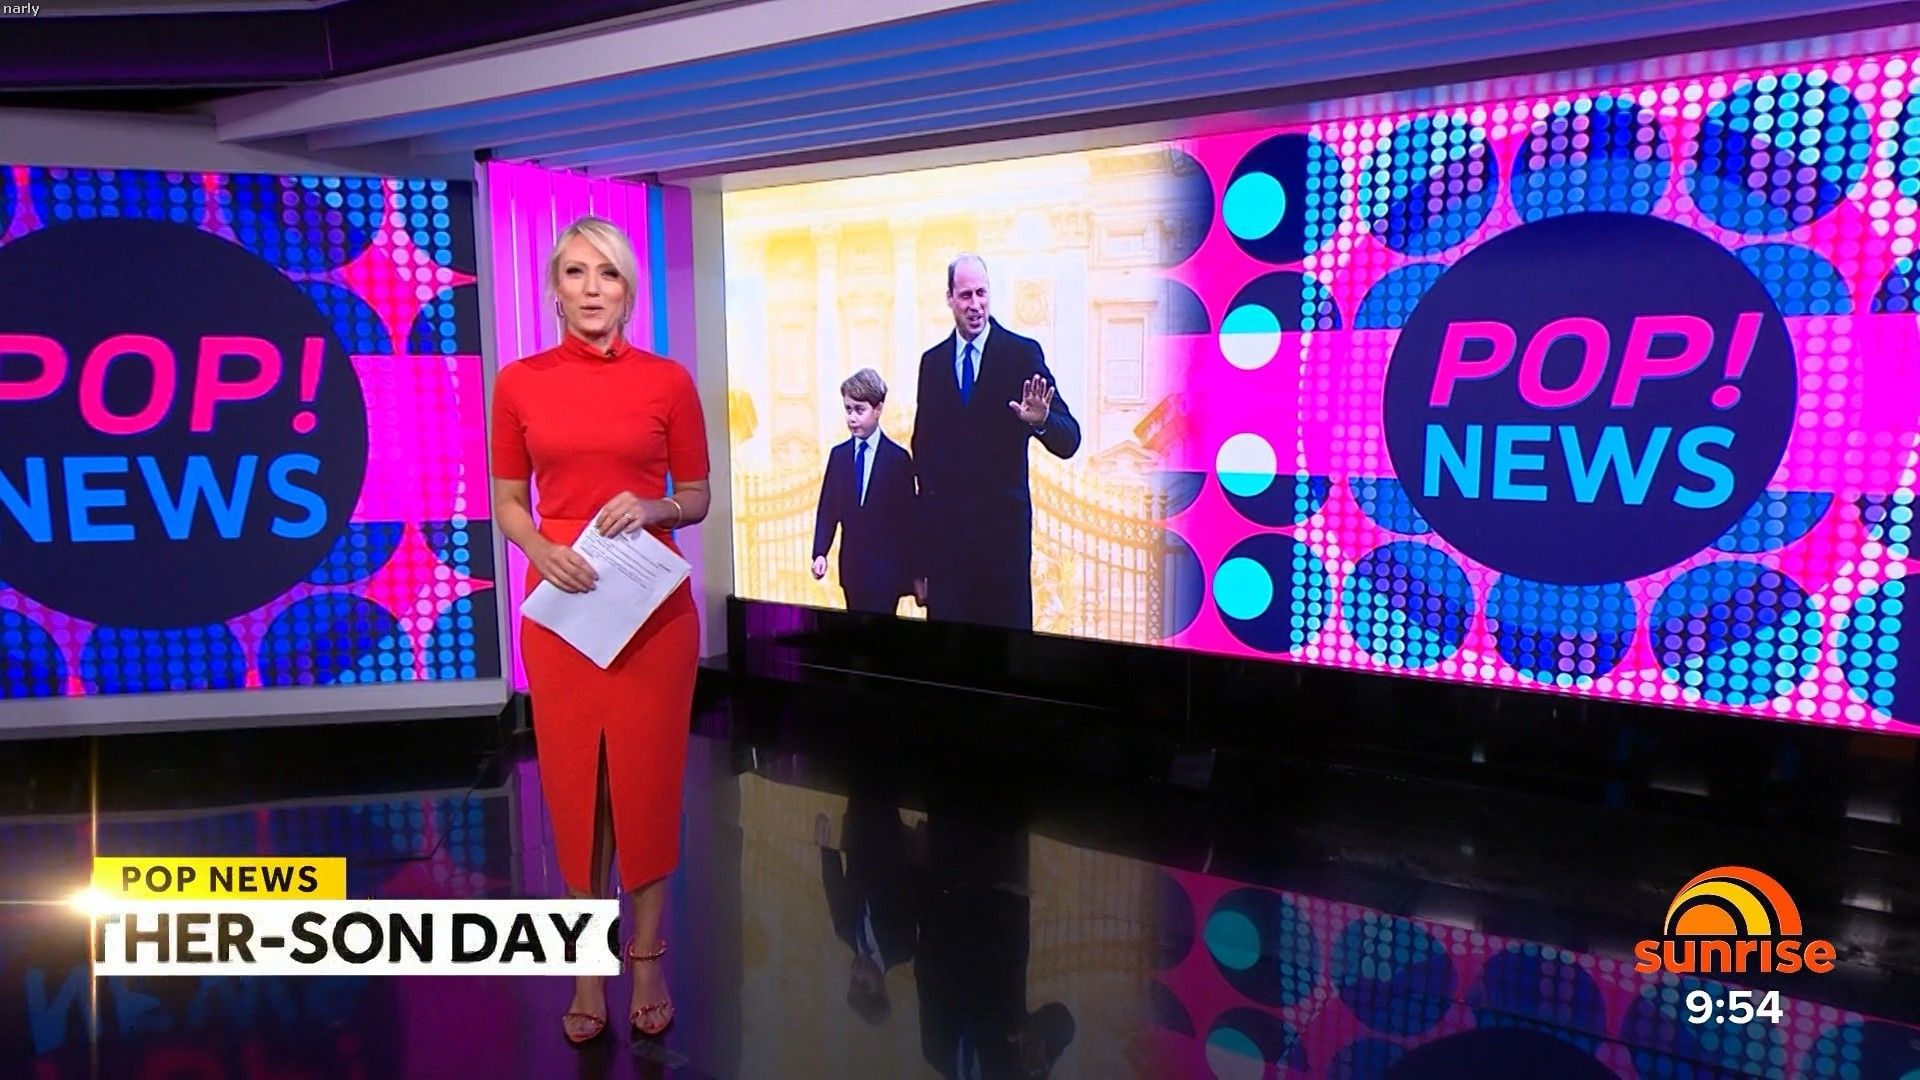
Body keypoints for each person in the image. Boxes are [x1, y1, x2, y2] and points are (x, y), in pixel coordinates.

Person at [489, 215, 708, 1046]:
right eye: (576, 272)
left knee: (646, 784)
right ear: (554, 289)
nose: (591, 288)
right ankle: (588, 964)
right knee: (578, 784)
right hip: (563, 608)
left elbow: (697, 496)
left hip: (651, 612)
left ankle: (646, 958)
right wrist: (541, 549)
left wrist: (654, 507)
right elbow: (509, 499)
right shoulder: (518, 382)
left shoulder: (668, 381)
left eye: (608, 273)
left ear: (627, 291)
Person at [911, 254, 1080, 631]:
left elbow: (1070, 438)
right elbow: (923, 463)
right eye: (965, 295)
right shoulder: (932, 364)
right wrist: (920, 562)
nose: (975, 305)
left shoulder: (1021, 354)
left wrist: (1041, 422)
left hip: (1002, 556)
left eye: (982, 293)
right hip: (948, 557)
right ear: (950, 298)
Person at [811, 368, 920, 615]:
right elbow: (828, 509)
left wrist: (916, 574)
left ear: (878, 409)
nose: (852, 418)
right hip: (852, 570)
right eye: (848, 409)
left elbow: (909, 523)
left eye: (859, 410)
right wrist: (820, 552)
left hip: (887, 573)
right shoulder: (839, 456)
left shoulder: (898, 459)